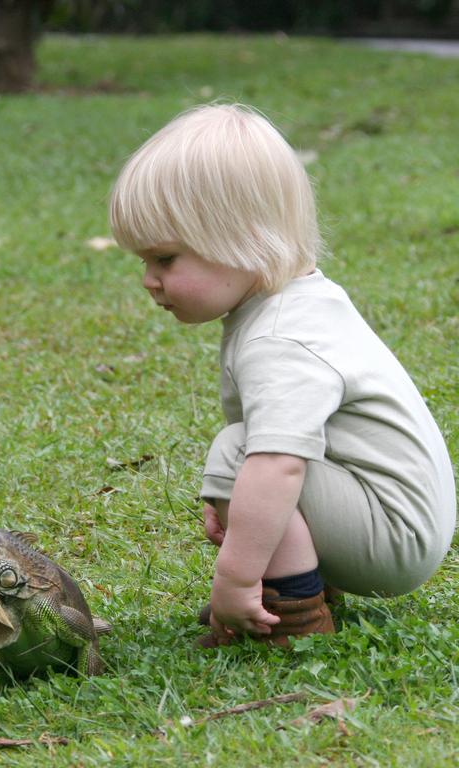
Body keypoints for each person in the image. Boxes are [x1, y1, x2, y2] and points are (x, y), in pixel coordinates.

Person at [108, 104, 455, 647]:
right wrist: (231, 500)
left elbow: (278, 464)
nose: (149, 280)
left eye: (165, 259)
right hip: (399, 519)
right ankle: (302, 580)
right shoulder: (295, 302)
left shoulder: (280, 338)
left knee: (243, 452)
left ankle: (291, 616)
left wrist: (236, 574)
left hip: (392, 537)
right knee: (245, 457)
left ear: (241, 240)